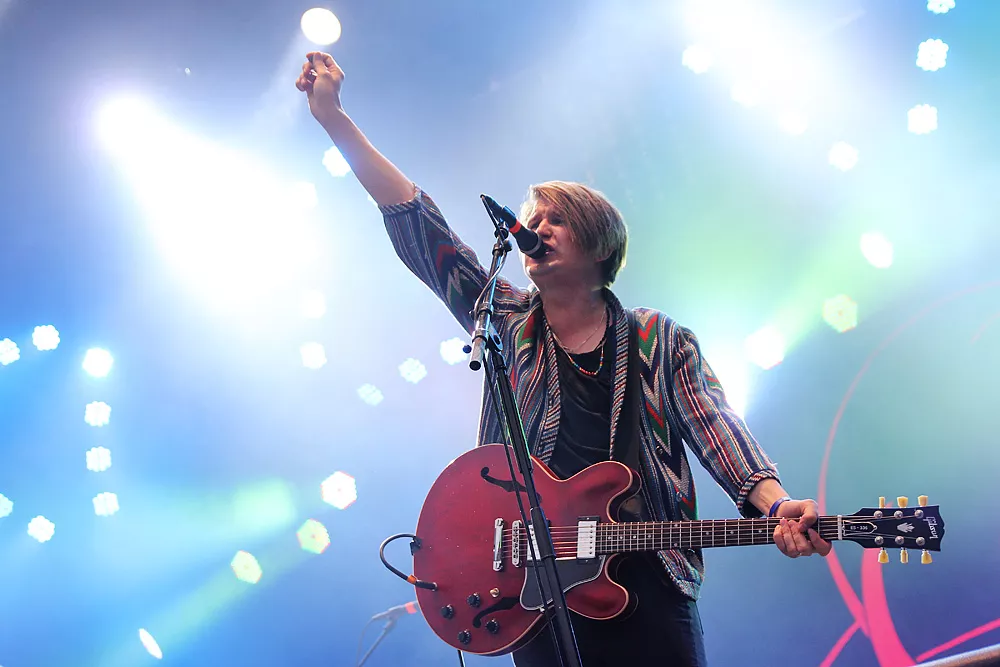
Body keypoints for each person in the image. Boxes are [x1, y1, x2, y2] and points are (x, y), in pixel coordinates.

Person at [296, 51, 832, 667]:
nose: (537, 228)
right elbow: (422, 231)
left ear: (600, 243)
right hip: (535, 587)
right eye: (534, 219)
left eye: (558, 220)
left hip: (648, 581)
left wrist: (776, 504)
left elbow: (717, 428)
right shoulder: (506, 319)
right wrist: (334, 119)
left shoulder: (658, 338)